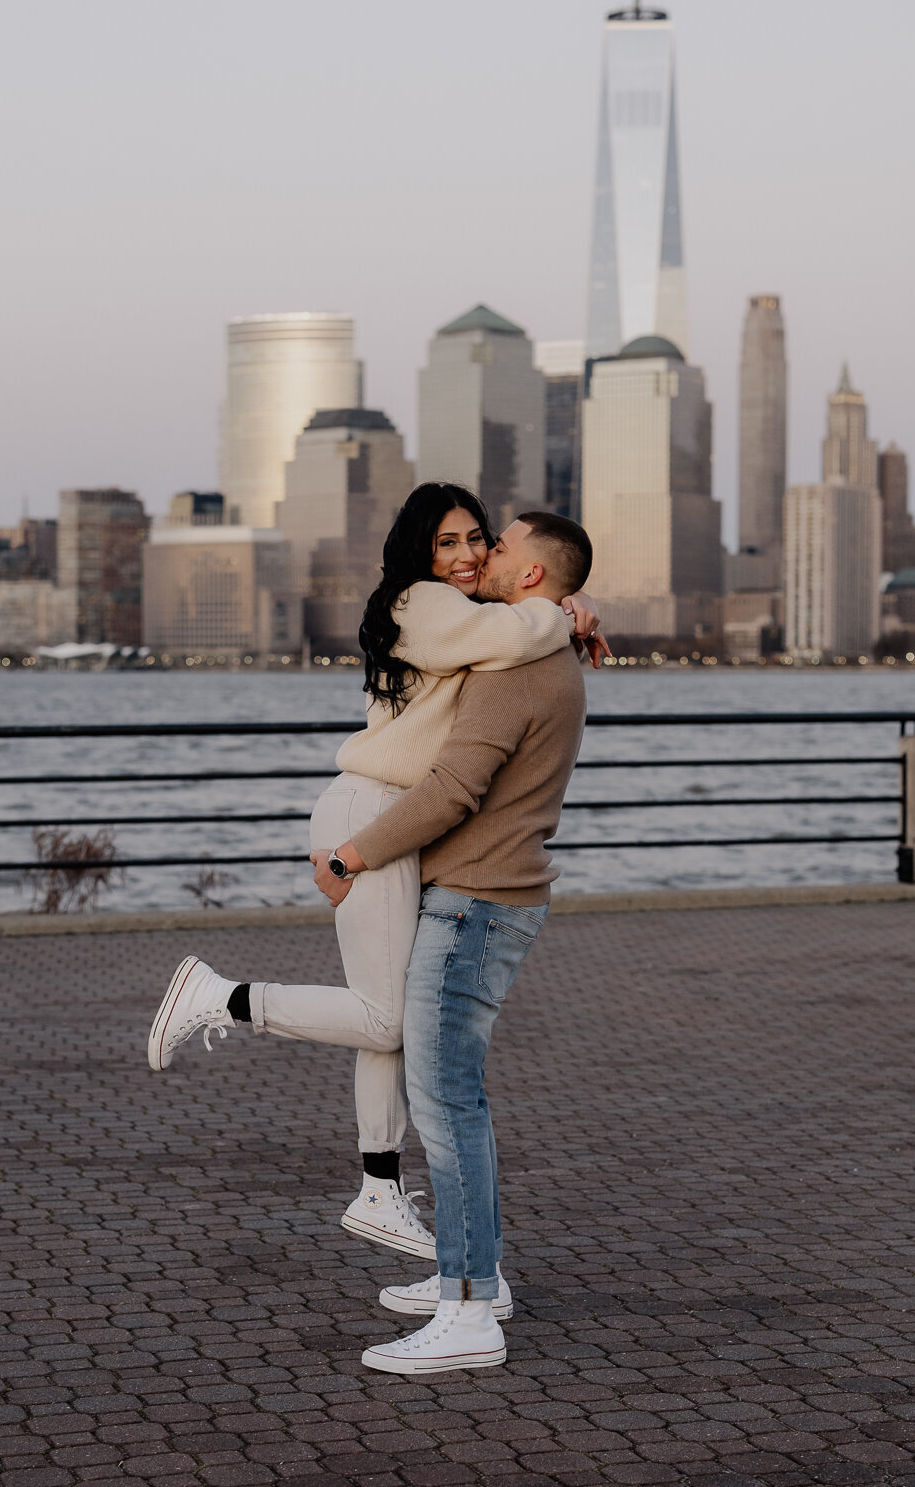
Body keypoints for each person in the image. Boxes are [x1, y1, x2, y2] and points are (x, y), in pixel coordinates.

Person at [147, 484, 604, 1262]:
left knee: (384, 1018)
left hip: (393, 818)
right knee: (388, 1017)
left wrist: (568, 611)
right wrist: (561, 612)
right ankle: (219, 997)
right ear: (420, 554)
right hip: (371, 815)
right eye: (448, 543)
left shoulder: (476, 616)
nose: (466, 556)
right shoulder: (419, 603)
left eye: (477, 540)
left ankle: (379, 1187)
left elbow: (513, 628)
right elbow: (511, 634)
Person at [310, 511, 593, 1373]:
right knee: (455, 1099)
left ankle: (468, 1313)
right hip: (493, 899)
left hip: (472, 906)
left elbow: (453, 790)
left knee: (448, 1106)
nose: (481, 558)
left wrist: (351, 854)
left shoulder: (516, 671)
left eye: (498, 546)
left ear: (533, 577)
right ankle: (476, 1279)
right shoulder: (537, 650)